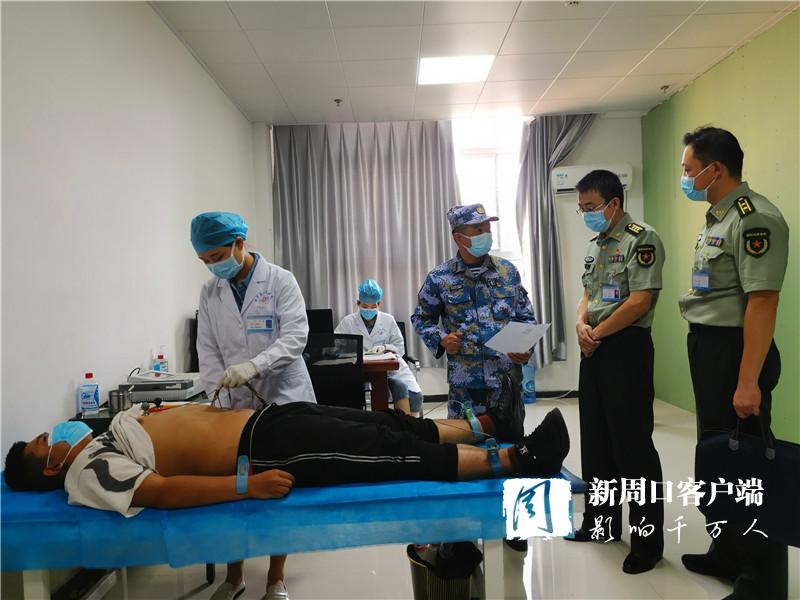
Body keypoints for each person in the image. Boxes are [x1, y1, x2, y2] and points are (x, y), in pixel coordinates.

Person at [4, 401, 570, 516]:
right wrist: (245, 487)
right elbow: (161, 492)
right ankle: (518, 460)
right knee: (388, 453)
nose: (49, 433)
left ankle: (489, 428)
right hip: (261, 450)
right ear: (51, 466)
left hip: (266, 419)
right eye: (41, 441)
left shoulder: (98, 437)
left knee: (380, 422)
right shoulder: (88, 470)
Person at [678, 127, 789, 600]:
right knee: (719, 457)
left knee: (750, 467)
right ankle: (726, 551)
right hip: (709, 348)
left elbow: (763, 301)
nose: (685, 178)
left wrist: (748, 382)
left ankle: (762, 580)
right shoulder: (717, 217)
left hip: (736, 352)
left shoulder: (754, 217)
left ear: (715, 169)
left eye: (688, 170)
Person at [191, 211, 317, 600]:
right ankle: (234, 577)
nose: (213, 266)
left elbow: (295, 336)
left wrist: (254, 366)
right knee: (235, 488)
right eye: (205, 260)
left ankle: (276, 578)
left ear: (239, 243)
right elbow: (207, 350)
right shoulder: (210, 293)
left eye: (217, 256)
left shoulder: (280, 280)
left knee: (279, 487)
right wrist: (217, 397)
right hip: (232, 406)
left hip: (283, 395)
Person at [569, 170, 665, 574]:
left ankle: (646, 543)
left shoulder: (642, 238)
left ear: (613, 203)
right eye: (581, 208)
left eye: (590, 207)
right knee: (595, 442)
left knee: (632, 446)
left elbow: (641, 300)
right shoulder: (597, 244)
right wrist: (580, 324)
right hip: (594, 347)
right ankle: (602, 523)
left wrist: (597, 332)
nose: (586, 214)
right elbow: (588, 294)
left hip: (625, 347)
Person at [411, 204, 536, 422]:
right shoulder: (439, 278)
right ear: (459, 238)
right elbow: (421, 318)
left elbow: (525, 316)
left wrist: (526, 347)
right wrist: (442, 339)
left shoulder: (507, 272)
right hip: (465, 386)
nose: (486, 235)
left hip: (506, 380)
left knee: (510, 440)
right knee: (466, 441)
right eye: (478, 230)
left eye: (488, 229)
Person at [335, 279, 423, 416]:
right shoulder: (348, 322)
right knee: (353, 396)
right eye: (365, 306)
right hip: (360, 371)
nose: (368, 310)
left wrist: (385, 348)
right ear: (358, 303)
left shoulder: (388, 320)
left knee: (415, 396)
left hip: (389, 370)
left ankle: (406, 426)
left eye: (373, 306)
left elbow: (400, 347)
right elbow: (335, 344)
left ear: (379, 304)